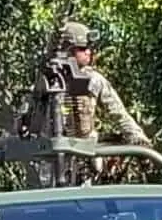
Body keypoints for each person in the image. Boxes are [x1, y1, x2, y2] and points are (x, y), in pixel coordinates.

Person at [59, 21, 151, 184]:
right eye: (82, 48)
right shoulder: (50, 83)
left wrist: (138, 139)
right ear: (68, 51)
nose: (88, 52)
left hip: (85, 154)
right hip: (55, 160)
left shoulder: (94, 80)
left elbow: (119, 114)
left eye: (89, 48)